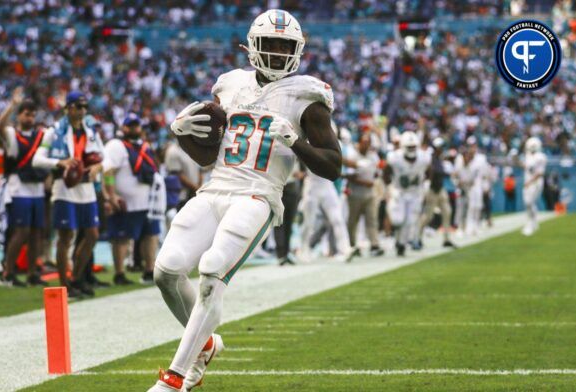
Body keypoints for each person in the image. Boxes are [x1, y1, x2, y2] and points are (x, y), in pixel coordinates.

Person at [148, 9, 342, 391]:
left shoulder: (308, 96)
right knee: (166, 272)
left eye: (284, 46)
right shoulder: (228, 85)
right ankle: (204, 344)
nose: (276, 52)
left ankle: (173, 380)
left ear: (298, 50)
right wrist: (182, 134)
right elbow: (207, 156)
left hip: (258, 194)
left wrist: (295, 142)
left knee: (211, 273)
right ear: (252, 45)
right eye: (269, 44)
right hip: (215, 187)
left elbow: (334, 166)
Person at [33, 91, 104, 298]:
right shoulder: (54, 131)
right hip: (64, 188)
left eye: (84, 107)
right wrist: (59, 162)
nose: (82, 111)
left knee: (92, 234)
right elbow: (37, 159)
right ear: (68, 108)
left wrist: (98, 167)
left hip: (87, 188)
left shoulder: (91, 131)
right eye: (78, 107)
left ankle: (76, 278)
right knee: (66, 236)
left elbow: (103, 158)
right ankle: (64, 286)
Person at [0, 87, 49, 287]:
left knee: (36, 233)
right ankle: (7, 272)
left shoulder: (40, 135)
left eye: (33, 115)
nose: (30, 118)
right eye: (27, 114)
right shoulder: (12, 134)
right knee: (21, 231)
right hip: (19, 188)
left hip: (36, 188)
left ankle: (32, 273)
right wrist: (12, 104)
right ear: (19, 116)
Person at [102, 113, 160, 285]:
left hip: (148, 202)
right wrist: (111, 196)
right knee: (121, 239)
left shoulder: (144, 146)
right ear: (123, 127)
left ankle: (149, 270)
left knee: (150, 235)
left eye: (136, 125)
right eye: (130, 125)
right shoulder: (116, 145)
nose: (134, 128)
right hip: (125, 203)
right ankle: (119, 273)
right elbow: (108, 171)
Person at [383, 131, 430, 257]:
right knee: (398, 220)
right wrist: (388, 187)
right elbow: (386, 172)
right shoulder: (394, 157)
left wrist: (425, 184)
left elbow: (430, 171)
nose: (412, 149)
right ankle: (399, 240)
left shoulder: (423, 157)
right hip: (399, 191)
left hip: (415, 193)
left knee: (409, 221)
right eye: (409, 147)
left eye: (413, 146)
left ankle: (401, 244)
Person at [345, 132, 384, 260]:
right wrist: (364, 182)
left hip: (370, 193)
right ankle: (352, 244)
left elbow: (377, 172)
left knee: (372, 219)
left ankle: (374, 245)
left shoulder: (373, 156)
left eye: (368, 143)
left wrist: (373, 179)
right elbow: (349, 176)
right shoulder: (352, 155)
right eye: (364, 142)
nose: (366, 145)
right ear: (360, 143)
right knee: (353, 220)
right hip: (355, 192)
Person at [417, 137, 456, 248]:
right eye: (440, 147)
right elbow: (427, 173)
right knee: (428, 216)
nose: (442, 149)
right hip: (432, 189)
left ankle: (446, 239)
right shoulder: (430, 158)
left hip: (440, 189)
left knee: (447, 212)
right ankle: (417, 237)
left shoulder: (439, 159)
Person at [453, 138, 488, 236]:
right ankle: (460, 227)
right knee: (461, 207)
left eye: (474, 145)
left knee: (475, 206)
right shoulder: (459, 159)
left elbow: (481, 175)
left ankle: (473, 226)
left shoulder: (479, 159)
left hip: (472, 187)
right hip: (462, 188)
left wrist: (485, 185)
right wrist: (457, 183)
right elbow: (455, 174)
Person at [521, 137, 546, 236]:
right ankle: (534, 222)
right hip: (528, 182)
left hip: (535, 183)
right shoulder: (528, 156)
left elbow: (539, 173)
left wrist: (529, 182)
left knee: (529, 202)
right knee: (528, 203)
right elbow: (528, 168)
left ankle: (531, 223)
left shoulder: (541, 156)